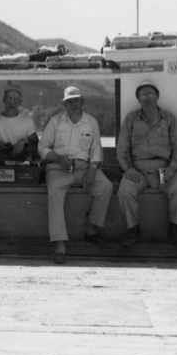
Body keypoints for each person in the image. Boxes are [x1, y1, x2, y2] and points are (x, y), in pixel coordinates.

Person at [38, 86, 113, 264]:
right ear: (64, 103)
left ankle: (91, 228)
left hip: (85, 167)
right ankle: (59, 244)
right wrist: (56, 157)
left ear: (82, 101)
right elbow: (42, 147)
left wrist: (92, 169)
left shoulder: (91, 122)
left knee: (105, 187)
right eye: (69, 100)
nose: (73, 103)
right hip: (58, 168)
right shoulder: (55, 121)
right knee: (55, 193)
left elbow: (96, 150)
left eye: (76, 100)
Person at [116, 80, 177, 249]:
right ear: (138, 99)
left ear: (157, 96)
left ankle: (174, 231)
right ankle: (133, 230)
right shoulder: (131, 119)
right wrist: (128, 168)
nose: (147, 97)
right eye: (143, 94)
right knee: (124, 191)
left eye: (150, 93)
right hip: (138, 170)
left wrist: (172, 167)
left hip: (163, 169)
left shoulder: (169, 119)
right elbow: (122, 149)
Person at [0, 83, 39, 162]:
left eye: (16, 99)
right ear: (4, 99)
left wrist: (23, 142)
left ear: (20, 102)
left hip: (20, 160)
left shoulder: (27, 120)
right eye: (9, 98)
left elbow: (35, 144)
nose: (12, 102)